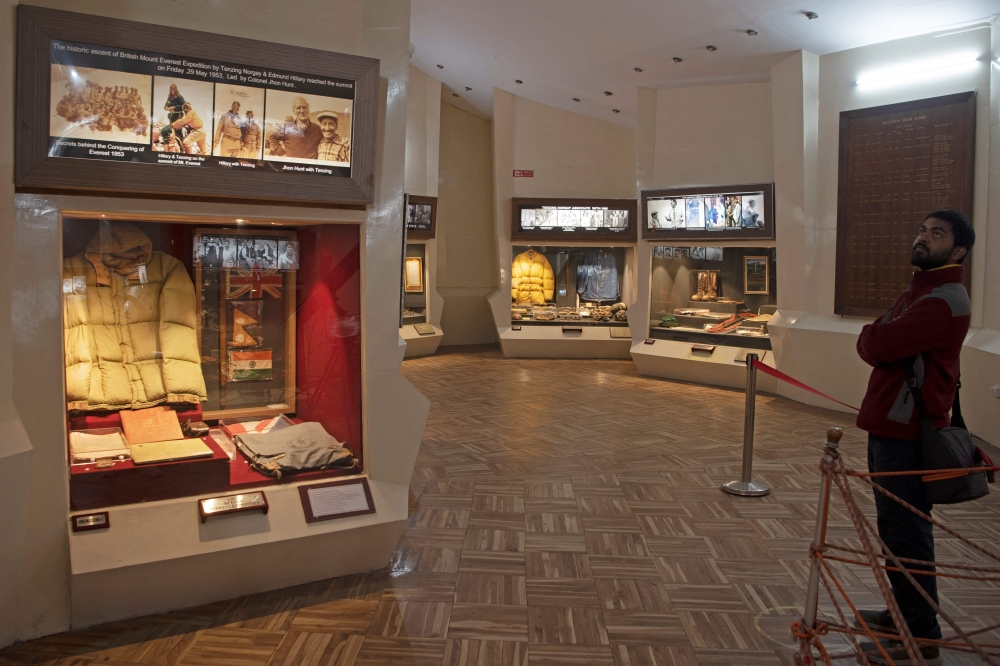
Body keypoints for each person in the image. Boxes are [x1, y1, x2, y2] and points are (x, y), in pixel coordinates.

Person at [854, 210, 975, 666]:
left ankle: (920, 636)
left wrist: (878, 338)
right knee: (896, 532)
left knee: (907, 534)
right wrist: (878, 337)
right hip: (892, 427)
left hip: (906, 433)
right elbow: (874, 339)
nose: (923, 238)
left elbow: (876, 343)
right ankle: (901, 615)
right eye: (923, 230)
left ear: (958, 250)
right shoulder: (921, 291)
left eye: (936, 234)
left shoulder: (942, 300)